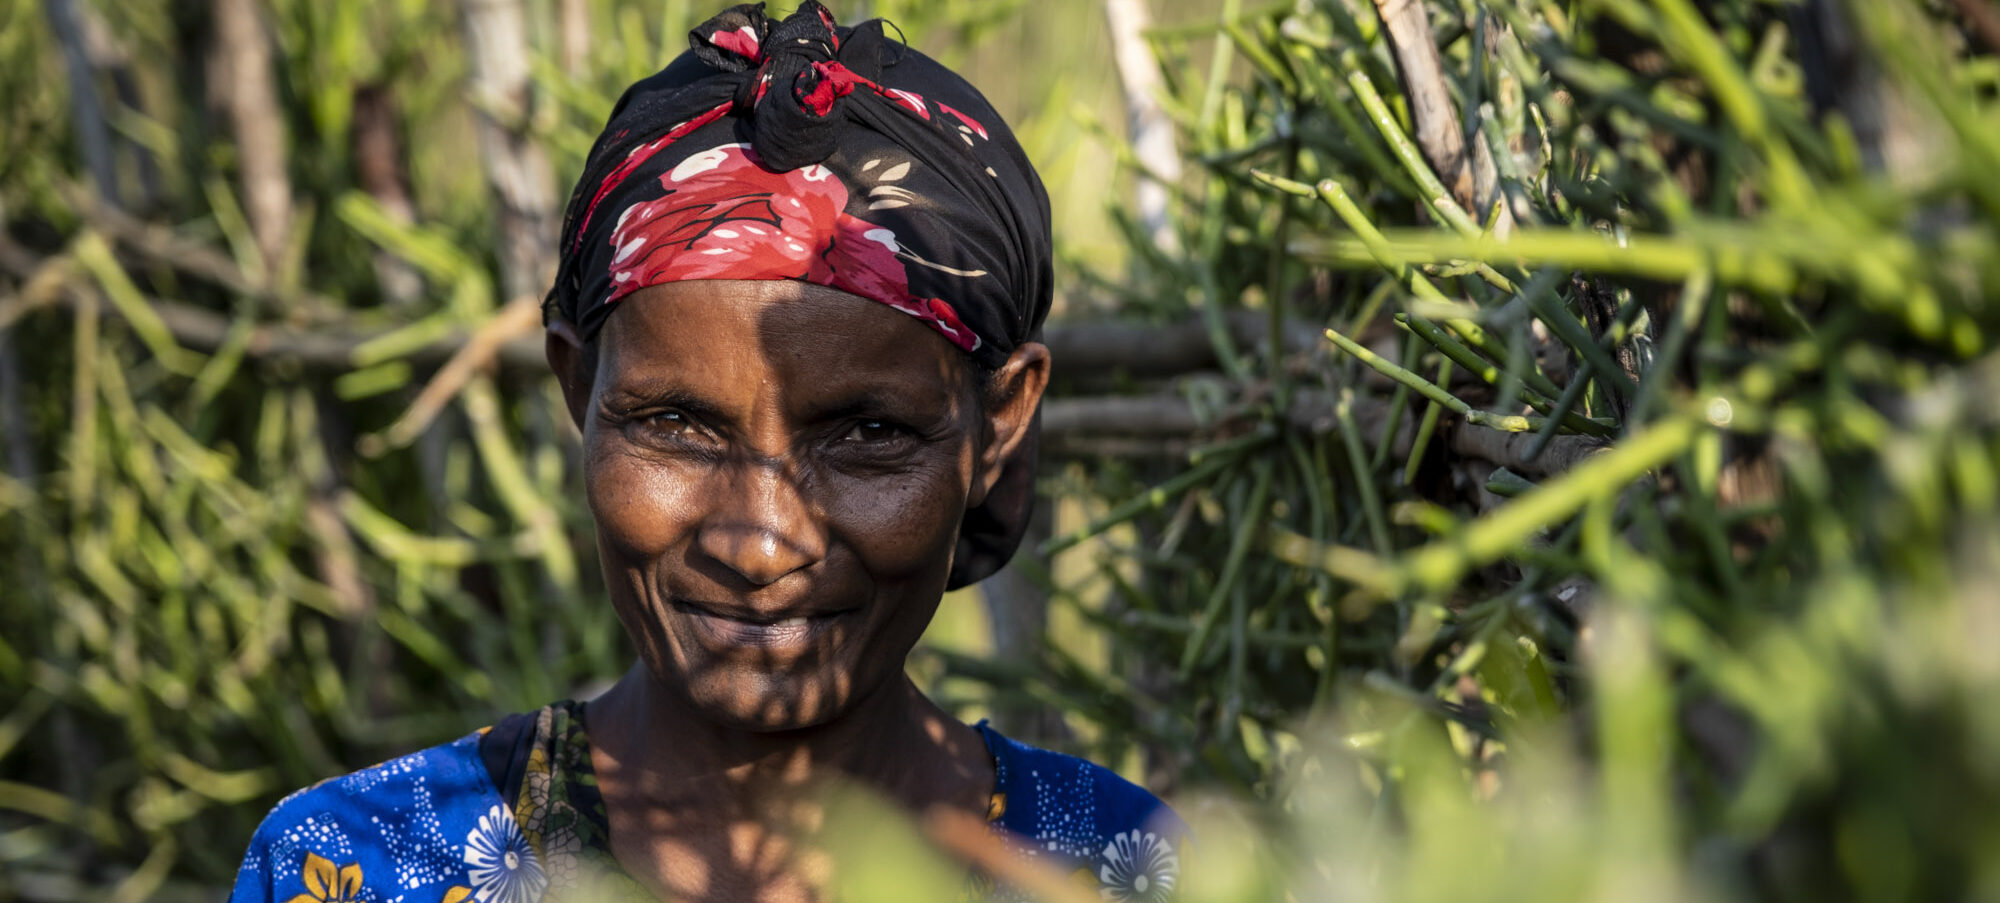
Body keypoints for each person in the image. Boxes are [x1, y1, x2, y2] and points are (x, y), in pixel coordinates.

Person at [227, 3, 1183, 902]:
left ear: (1000, 422)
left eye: (870, 434)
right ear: (578, 390)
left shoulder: (1119, 868)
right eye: (677, 425)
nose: (761, 544)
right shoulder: (356, 865)